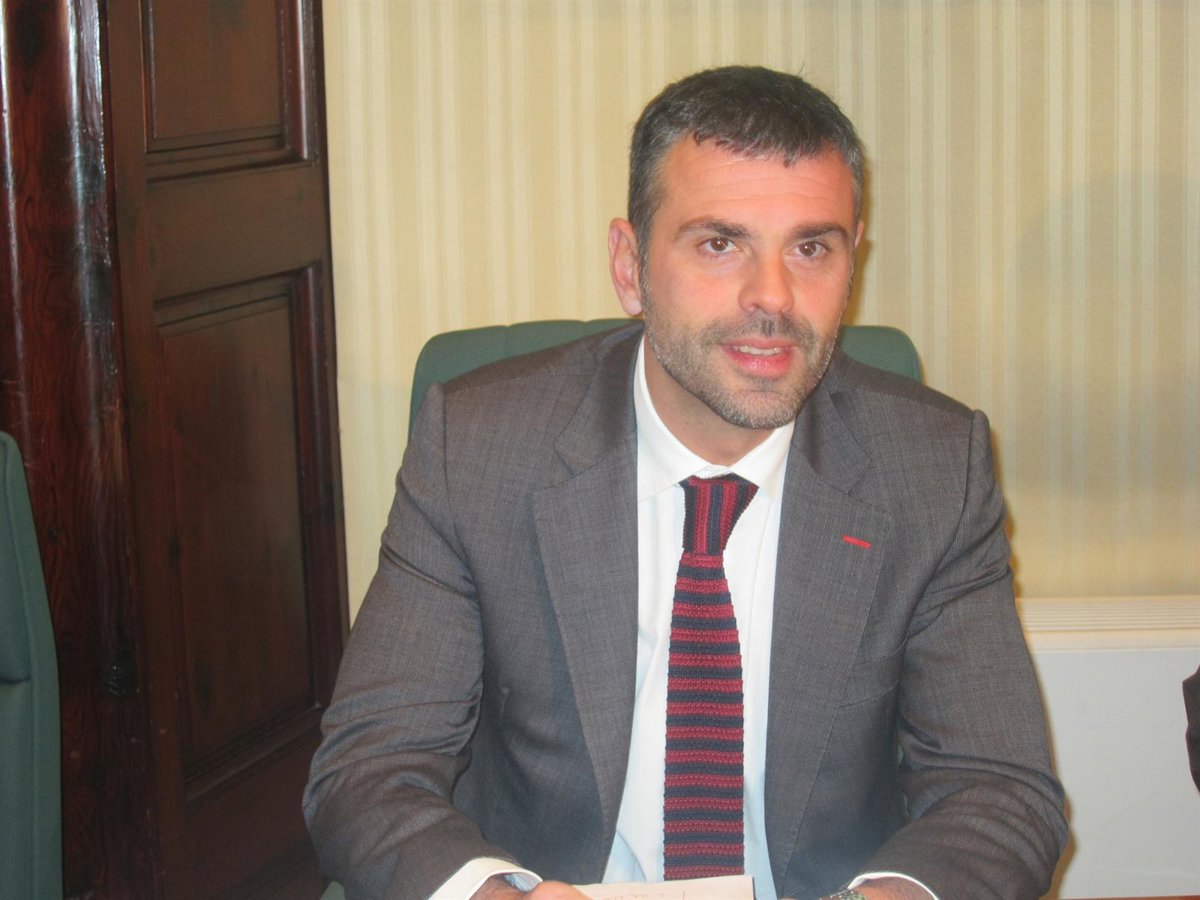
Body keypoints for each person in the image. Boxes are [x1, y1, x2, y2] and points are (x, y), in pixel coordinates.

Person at [304, 66, 1067, 900]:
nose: (772, 298)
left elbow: (999, 791)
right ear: (630, 266)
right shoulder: (479, 447)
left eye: (811, 248)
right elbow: (370, 770)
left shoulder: (933, 467)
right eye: (719, 244)